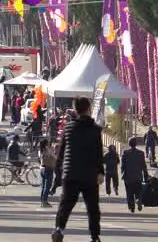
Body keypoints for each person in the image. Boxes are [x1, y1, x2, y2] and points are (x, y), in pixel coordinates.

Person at [52, 96, 104, 242]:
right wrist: (100, 172)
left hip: (70, 173)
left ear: (75, 109)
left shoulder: (68, 128)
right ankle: (95, 237)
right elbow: (98, 153)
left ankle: (59, 230)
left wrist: (58, 169)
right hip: (89, 174)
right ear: (88, 109)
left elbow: (61, 151)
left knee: (65, 205)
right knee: (93, 208)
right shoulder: (95, 129)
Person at [121, 137, 147, 214]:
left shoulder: (125, 153)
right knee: (138, 191)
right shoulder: (141, 153)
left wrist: (123, 173)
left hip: (128, 177)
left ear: (129, 144)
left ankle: (132, 207)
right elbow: (143, 165)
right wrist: (145, 175)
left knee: (129, 193)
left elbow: (123, 166)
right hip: (138, 176)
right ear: (136, 144)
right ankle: (138, 199)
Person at [39, 138, 58, 209]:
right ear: (46, 143)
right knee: (47, 186)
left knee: (43, 186)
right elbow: (54, 156)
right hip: (48, 168)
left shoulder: (40, 150)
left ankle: (42, 201)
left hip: (42, 168)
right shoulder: (47, 149)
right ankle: (44, 201)